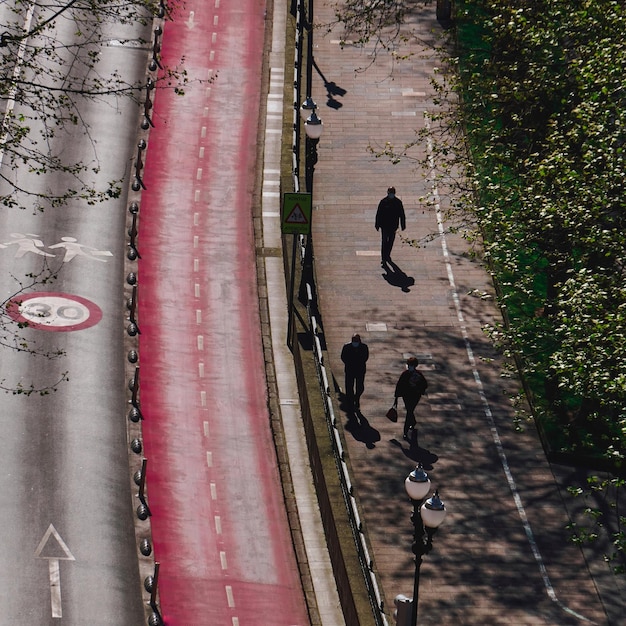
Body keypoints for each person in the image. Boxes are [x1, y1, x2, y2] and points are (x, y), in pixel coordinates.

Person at [394, 357, 428, 442]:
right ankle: (413, 422)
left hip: (415, 396)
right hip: (406, 396)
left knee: (409, 412)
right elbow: (399, 385)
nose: (409, 367)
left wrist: (419, 389)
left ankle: (405, 431)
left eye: (411, 365)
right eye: (409, 365)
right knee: (410, 410)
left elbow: (425, 384)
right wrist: (396, 396)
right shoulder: (405, 374)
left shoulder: (418, 375)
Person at [375, 186, 406, 266]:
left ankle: (387, 255)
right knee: (384, 241)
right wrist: (377, 224)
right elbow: (379, 214)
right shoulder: (383, 202)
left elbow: (402, 214)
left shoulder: (398, 202)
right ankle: (384, 258)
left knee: (391, 241)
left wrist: (403, 224)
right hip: (385, 226)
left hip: (393, 226)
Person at [340, 333, 369, 410]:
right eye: (354, 340)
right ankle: (350, 402)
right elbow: (343, 357)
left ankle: (357, 397)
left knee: (360, 387)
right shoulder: (347, 347)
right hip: (350, 370)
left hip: (360, 370)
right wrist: (349, 363)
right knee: (349, 386)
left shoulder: (364, 347)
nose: (355, 342)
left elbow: (365, 357)